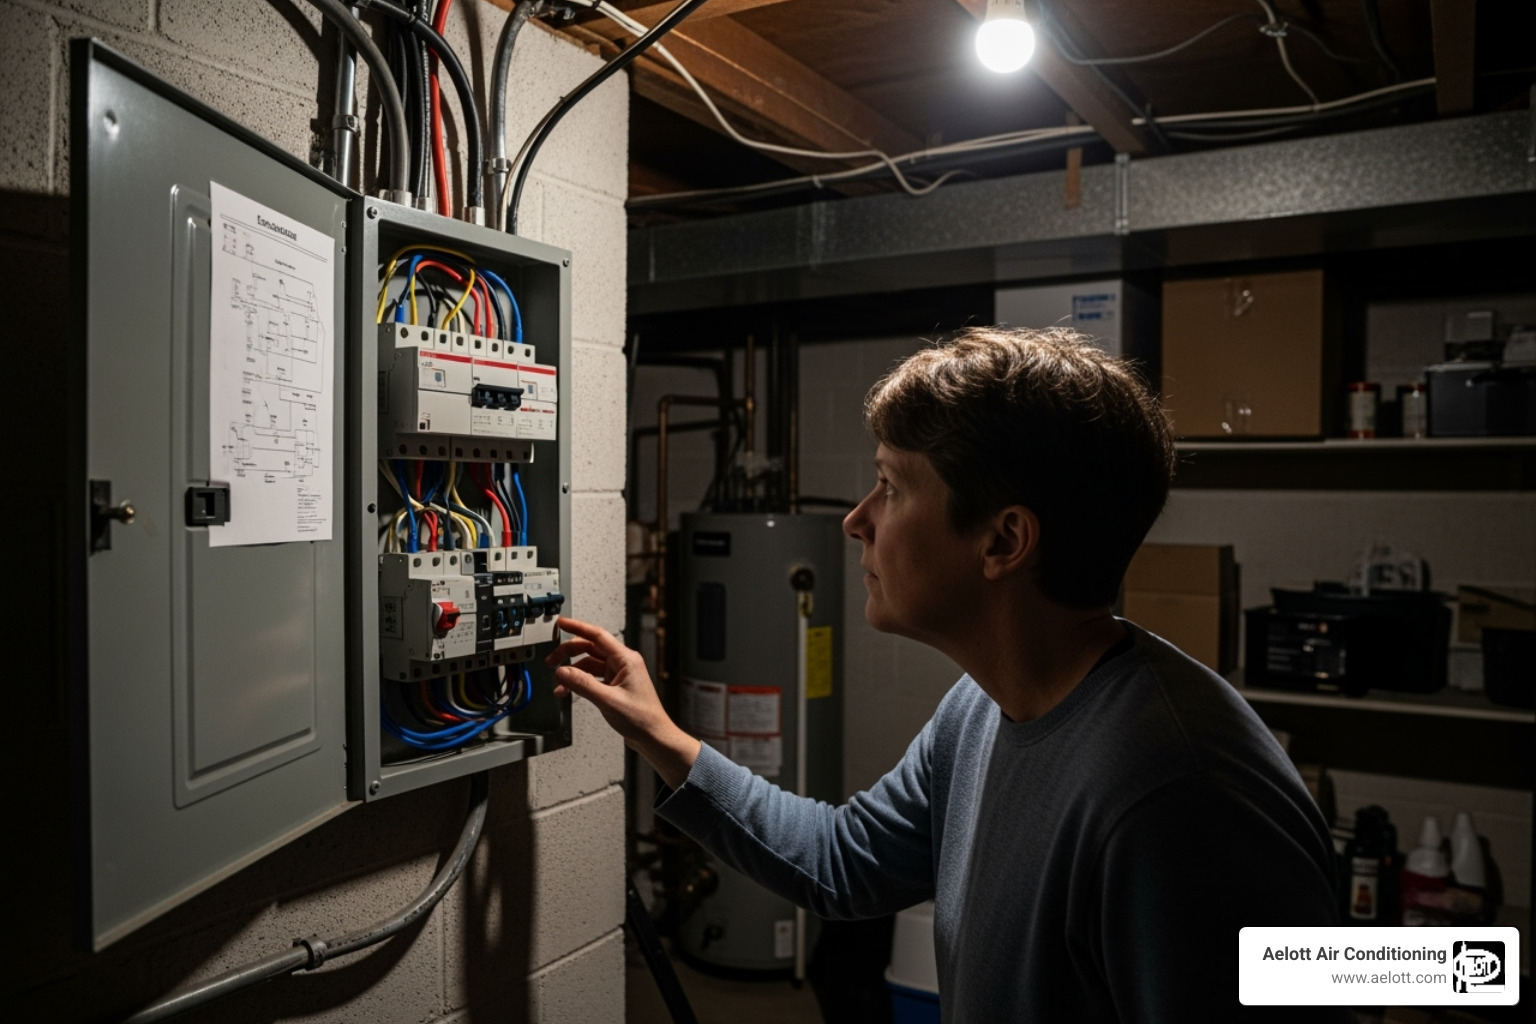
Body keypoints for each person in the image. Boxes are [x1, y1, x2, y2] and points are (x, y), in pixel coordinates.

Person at [546, 326, 1346, 1022]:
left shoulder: (1178, 795)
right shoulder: (983, 706)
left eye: (891, 487)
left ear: (1003, 542)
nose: (857, 520)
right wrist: (657, 734)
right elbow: (844, 861)